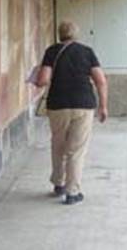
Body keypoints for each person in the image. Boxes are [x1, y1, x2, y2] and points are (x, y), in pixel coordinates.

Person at [35, 20, 108, 204]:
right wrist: (103, 106)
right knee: (76, 150)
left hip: (57, 105)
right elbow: (100, 81)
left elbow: (43, 80)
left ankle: (58, 184)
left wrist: (35, 80)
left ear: (60, 34)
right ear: (76, 34)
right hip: (83, 105)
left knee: (58, 144)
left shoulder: (52, 51)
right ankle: (72, 192)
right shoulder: (87, 52)